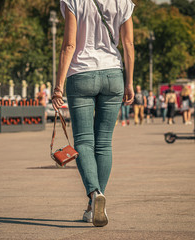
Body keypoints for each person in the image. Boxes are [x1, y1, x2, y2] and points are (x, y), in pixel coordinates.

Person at [52, 0, 135, 227]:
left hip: (81, 74)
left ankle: (95, 194)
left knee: (84, 143)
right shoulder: (123, 3)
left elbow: (69, 45)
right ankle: (95, 204)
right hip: (113, 75)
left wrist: (59, 85)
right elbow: (128, 44)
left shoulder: (74, 1)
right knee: (104, 144)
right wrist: (129, 82)